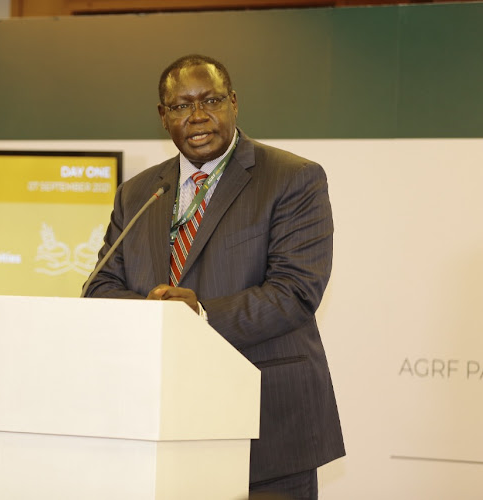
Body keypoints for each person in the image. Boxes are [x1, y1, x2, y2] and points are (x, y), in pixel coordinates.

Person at [83, 54, 345, 499]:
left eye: (211, 100)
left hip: (266, 427)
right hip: (160, 425)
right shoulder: (139, 192)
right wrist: (156, 313)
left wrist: (199, 313)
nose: (199, 116)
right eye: (182, 106)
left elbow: (296, 292)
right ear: (163, 117)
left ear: (234, 104)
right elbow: (100, 288)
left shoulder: (292, 178)